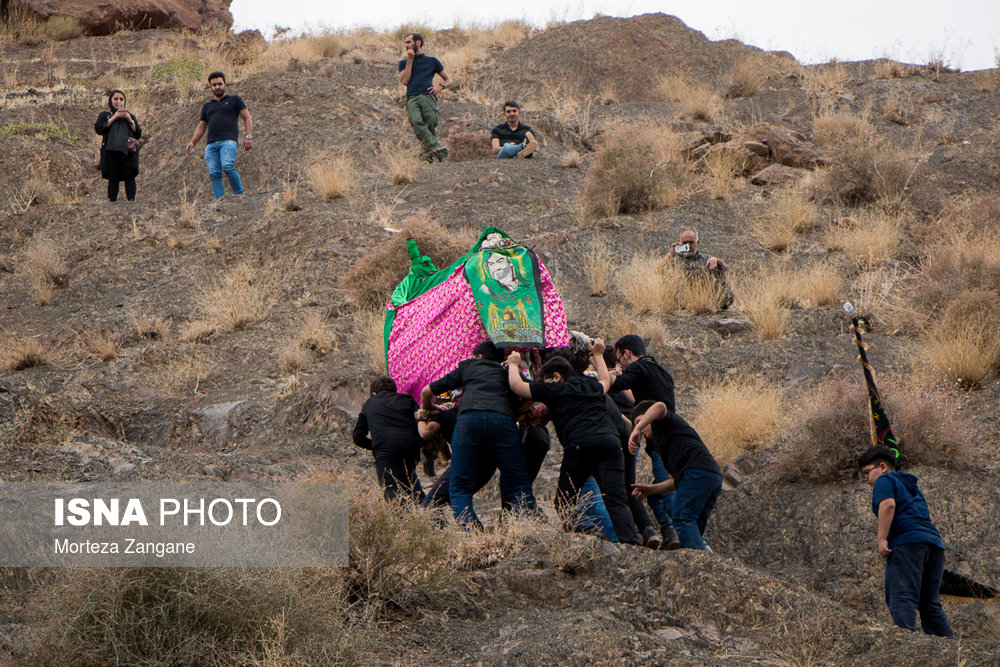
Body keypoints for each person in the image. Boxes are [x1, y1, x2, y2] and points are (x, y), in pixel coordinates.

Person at [507, 339, 640, 545]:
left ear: (556, 376)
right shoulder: (590, 384)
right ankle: (631, 544)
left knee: (564, 501)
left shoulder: (554, 389)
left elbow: (517, 386)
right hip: (610, 444)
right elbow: (606, 379)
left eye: (546, 379)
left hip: (580, 446)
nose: (545, 382)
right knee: (616, 501)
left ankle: (582, 536)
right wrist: (598, 355)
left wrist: (514, 364)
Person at [421, 341, 535, 528]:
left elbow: (427, 391)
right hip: (502, 421)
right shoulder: (508, 372)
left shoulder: (468, 366)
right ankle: (529, 527)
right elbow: (530, 393)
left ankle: (472, 531)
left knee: (459, 486)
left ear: (480, 356)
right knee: (518, 482)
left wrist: (428, 408)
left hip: (469, 421)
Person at [859, 446, 953, 637]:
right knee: (929, 603)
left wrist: (882, 539)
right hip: (934, 545)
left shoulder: (885, 480)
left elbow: (888, 505)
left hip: (907, 543)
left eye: (867, 473)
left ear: (882, 467)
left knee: (902, 596)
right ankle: (950, 650)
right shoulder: (912, 487)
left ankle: (904, 646)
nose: (866, 480)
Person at [610, 334, 681, 549]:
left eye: (620, 359)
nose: (620, 364)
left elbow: (618, 383)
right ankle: (670, 532)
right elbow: (639, 400)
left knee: (665, 486)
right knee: (658, 491)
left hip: (661, 438)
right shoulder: (660, 372)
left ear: (627, 353)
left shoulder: (639, 367)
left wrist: (599, 364)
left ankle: (679, 532)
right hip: (672, 435)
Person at [630, 400, 722, 551]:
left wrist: (636, 429)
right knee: (693, 528)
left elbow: (660, 406)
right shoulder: (663, 445)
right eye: (636, 425)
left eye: (640, 422)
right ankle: (704, 560)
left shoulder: (663, 422)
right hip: (711, 476)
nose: (639, 430)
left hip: (697, 472)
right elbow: (676, 482)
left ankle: (699, 567)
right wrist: (649, 490)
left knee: (681, 518)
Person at [352, 377, 425, 502]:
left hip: (386, 450)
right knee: (410, 480)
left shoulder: (370, 403)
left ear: (374, 393)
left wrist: (377, 445)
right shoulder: (407, 400)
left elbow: (358, 437)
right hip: (410, 447)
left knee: (391, 489)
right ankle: (436, 518)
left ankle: (403, 519)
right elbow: (421, 421)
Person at [185, 71, 252, 199]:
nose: (217, 87)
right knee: (214, 173)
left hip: (228, 141)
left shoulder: (235, 100)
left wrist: (248, 136)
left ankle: (240, 195)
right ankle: (220, 201)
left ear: (225, 84)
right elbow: (201, 126)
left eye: (220, 84)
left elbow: (247, 118)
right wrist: (192, 142)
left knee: (227, 165)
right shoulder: (207, 106)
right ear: (210, 87)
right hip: (211, 145)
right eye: (214, 85)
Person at [398, 33, 453, 163]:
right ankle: (439, 149)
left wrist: (441, 86)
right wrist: (410, 61)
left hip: (428, 96)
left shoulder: (432, 61)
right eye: (405, 43)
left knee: (430, 124)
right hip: (412, 97)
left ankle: (426, 157)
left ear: (418, 43)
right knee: (416, 122)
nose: (406, 45)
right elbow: (405, 81)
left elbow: (449, 79)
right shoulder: (403, 63)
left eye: (409, 42)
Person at [95, 90, 141, 202]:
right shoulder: (105, 115)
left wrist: (129, 119)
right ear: (110, 101)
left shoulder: (130, 116)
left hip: (128, 151)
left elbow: (138, 133)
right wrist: (114, 118)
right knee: (113, 176)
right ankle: (112, 201)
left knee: (129, 176)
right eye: (115, 99)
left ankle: (131, 201)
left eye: (121, 99)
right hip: (111, 151)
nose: (118, 101)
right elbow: (99, 129)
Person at [670, 228, 732, 308]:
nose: (688, 245)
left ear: (697, 243)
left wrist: (717, 260)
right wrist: (670, 255)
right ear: (680, 244)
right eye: (685, 242)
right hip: (682, 302)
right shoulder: (674, 261)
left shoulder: (706, 259)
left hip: (705, 302)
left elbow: (727, 269)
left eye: (691, 242)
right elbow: (657, 273)